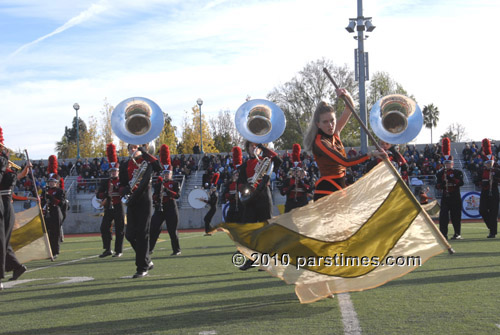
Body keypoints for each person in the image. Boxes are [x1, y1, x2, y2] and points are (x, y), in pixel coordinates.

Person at [302, 88, 386, 201]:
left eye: (332, 120)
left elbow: (349, 108)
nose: (330, 125)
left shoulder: (335, 133)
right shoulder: (320, 143)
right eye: (325, 122)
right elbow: (345, 162)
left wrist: (346, 95)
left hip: (340, 189)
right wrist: (371, 154)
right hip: (326, 192)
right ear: (318, 124)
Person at [237, 141, 282, 270]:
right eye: (252, 146)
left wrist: (263, 147)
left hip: (263, 196)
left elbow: (278, 161)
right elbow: (239, 183)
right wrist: (246, 187)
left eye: (256, 146)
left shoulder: (265, 160)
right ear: (247, 149)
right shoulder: (244, 165)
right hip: (250, 197)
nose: (254, 148)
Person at [119, 143, 161, 278]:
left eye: (135, 147)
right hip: (132, 201)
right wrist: (123, 190)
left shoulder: (147, 162)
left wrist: (145, 153)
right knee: (130, 235)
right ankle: (147, 260)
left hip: (144, 200)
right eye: (130, 148)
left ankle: (142, 267)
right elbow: (122, 183)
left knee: (143, 234)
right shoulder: (125, 165)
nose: (133, 150)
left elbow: (158, 167)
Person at [0, 127, 32, 290]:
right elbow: (17, 177)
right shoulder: (9, 173)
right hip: (5, 205)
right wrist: (24, 171)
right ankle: (17, 267)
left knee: (2, 241)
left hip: (4, 205)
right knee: (3, 242)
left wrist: (23, 170)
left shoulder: (7, 172)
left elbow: (12, 180)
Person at [150, 145, 181, 256]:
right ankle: (150, 249)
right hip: (160, 207)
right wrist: (156, 198)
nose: (166, 175)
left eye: (168, 173)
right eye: (165, 173)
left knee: (172, 230)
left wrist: (167, 191)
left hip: (171, 207)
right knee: (154, 228)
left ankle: (176, 250)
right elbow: (154, 196)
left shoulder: (175, 183)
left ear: (171, 174)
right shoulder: (159, 184)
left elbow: (177, 195)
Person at [96, 143, 125, 258]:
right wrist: (106, 194)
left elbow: (125, 191)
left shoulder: (122, 180)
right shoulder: (105, 182)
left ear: (118, 171)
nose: (113, 172)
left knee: (120, 228)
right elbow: (98, 194)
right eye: (112, 171)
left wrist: (118, 189)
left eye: (115, 171)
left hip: (118, 206)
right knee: (104, 227)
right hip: (108, 206)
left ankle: (119, 250)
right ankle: (107, 249)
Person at [435, 137, 464, 240]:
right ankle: (443, 234)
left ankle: (457, 233)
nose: (447, 165)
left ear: (452, 163)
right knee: (443, 216)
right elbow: (437, 186)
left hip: (455, 196)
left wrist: (452, 179)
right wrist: (443, 183)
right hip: (445, 196)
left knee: (456, 215)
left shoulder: (457, 172)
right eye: (446, 163)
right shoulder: (440, 173)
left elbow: (461, 183)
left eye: (449, 163)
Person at [40, 155, 66, 259]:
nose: (51, 183)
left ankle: (55, 251)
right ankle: (49, 252)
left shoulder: (60, 191)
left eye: (53, 182)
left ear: (56, 183)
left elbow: (61, 203)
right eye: (50, 182)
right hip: (47, 213)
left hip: (56, 212)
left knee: (55, 233)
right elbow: (42, 202)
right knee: (47, 233)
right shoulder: (45, 190)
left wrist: (51, 198)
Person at [477, 138, 500, 238]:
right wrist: (483, 182)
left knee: (493, 212)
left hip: (494, 191)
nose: (488, 164)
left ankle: (492, 232)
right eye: (487, 163)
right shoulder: (482, 170)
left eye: (490, 162)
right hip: (485, 191)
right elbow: (477, 180)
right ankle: (491, 227)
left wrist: (494, 179)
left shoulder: (497, 170)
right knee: (482, 210)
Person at [279, 144, 312, 213]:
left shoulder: (304, 179)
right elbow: (282, 192)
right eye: (294, 171)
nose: (296, 173)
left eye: (298, 171)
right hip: (290, 205)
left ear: (301, 171)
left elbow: (309, 189)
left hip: (302, 205)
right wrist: (291, 187)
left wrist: (301, 183)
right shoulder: (288, 180)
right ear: (292, 171)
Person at [222, 147, 243, 223]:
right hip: (232, 206)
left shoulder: (242, 183)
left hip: (242, 206)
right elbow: (225, 194)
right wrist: (231, 196)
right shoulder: (229, 184)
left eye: (238, 175)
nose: (236, 176)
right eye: (235, 175)